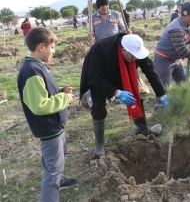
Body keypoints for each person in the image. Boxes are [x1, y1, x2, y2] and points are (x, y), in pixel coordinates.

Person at [80, 34, 169, 159]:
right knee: (98, 107)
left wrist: (162, 94)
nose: (135, 59)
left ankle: (142, 129)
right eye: (132, 56)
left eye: (136, 56)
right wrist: (116, 92)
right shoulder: (102, 48)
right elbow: (94, 75)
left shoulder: (136, 50)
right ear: (123, 50)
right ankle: (99, 145)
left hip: (123, 73)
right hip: (99, 76)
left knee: (135, 96)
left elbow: (150, 71)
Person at [17, 27, 77, 202]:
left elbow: (43, 93)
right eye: (52, 47)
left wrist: (59, 91)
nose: (54, 51)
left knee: (59, 158)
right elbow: (40, 106)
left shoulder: (37, 66)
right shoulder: (31, 71)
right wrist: (64, 99)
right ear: (41, 47)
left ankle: (60, 180)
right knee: (52, 170)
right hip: (48, 129)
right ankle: (52, 190)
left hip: (55, 125)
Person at [154, 2, 190, 88]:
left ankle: (181, 101)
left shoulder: (187, 24)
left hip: (176, 59)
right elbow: (182, 50)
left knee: (182, 84)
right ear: (186, 17)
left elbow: (181, 41)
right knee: (164, 87)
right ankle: (160, 102)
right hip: (164, 59)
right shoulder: (176, 28)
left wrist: (189, 40)